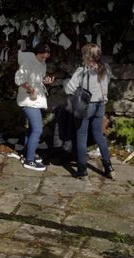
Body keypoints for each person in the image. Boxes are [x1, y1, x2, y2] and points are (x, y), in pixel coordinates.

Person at [64, 43, 114, 179]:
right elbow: (105, 84)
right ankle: (108, 167)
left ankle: (82, 171)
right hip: (100, 105)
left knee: (81, 137)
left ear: (86, 56)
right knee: (99, 136)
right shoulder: (106, 68)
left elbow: (69, 88)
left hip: (85, 107)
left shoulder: (82, 71)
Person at [15, 42, 55, 171]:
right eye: (42, 57)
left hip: (36, 99)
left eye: (46, 58)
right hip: (28, 100)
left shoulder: (41, 64)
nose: (44, 60)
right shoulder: (28, 62)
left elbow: (38, 79)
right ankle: (29, 161)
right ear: (36, 53)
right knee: (38, 130)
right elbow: (18, 79)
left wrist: (45, 82)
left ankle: (28, 153)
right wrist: (29, 88)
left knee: (32, 128)